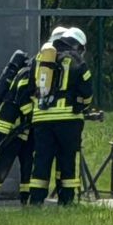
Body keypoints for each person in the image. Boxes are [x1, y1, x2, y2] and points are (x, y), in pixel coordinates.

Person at [0, 27, 67, 206]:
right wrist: (33, 115)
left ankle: (26, 200)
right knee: (3, 160)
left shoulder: (47, 68)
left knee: (28, 161)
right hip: (11, 123)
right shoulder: (33, 67)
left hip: (26, 126)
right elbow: (22, 95)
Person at [27, 26, 93, 206]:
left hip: (41, 119)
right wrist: (82, 106)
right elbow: (87, 91)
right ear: (79, 46)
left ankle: (36, 201)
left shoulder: (40, 59)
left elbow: (29, 88)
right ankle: (66, 201)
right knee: (68, 160)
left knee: (41, 160)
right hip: (68, 120)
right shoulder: (77, 60)